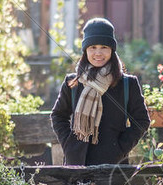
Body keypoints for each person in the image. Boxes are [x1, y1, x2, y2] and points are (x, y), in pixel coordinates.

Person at [51, 18, 150, 165]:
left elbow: (141, 121)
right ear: (85, 50)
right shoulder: (72, 82)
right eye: (92, 47)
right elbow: (58, 116)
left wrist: (120, 149)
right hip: (77, 166)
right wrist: (68, 144)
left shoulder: (128, 84)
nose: (98, 53)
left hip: (113, 167)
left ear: (112, 49)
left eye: (104, 47)